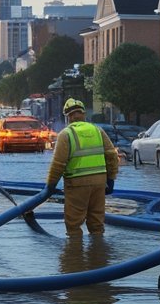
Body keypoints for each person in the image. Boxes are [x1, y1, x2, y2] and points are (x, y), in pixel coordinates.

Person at [45, 98, 119, 237]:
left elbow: (58, 165)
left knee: (73, 227)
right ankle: (98, 255)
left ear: (68, 117)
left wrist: (50, 185)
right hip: (99, 184)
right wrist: (111, 179)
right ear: (83, 114)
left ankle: (74, 255)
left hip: (77, 185)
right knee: (97, 225)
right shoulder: (98, 130)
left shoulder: (66, 134)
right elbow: (112, 156)